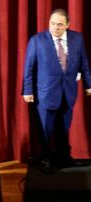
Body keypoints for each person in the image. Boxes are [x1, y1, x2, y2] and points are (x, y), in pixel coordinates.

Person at [22, 8, 91, 173]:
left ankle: (63, 157)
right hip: (45, 94)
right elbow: (29, 68)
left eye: (60, 25)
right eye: (52, 24)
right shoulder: (37, 41)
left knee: (64, 127)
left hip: (68, 92)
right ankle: (45, 158)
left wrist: (88, 85)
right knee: (45, 129)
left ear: (67, 24)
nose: (55, 28)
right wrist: (27, 90)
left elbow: (84, 63)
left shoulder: (77, 39)